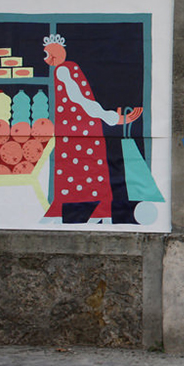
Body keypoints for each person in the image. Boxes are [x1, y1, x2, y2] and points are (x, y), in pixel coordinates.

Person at [42, 33, 142, 223]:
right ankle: (98, 213)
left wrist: (112, 118)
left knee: (82, 171)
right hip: (77, 132)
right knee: (84, 172)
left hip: (80, 132)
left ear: (57, 52)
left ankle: (97, 213)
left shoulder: (64, 70)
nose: (46, 60)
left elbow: (81, 100)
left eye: (48, 54)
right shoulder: (66, 69)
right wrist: (113, 118)